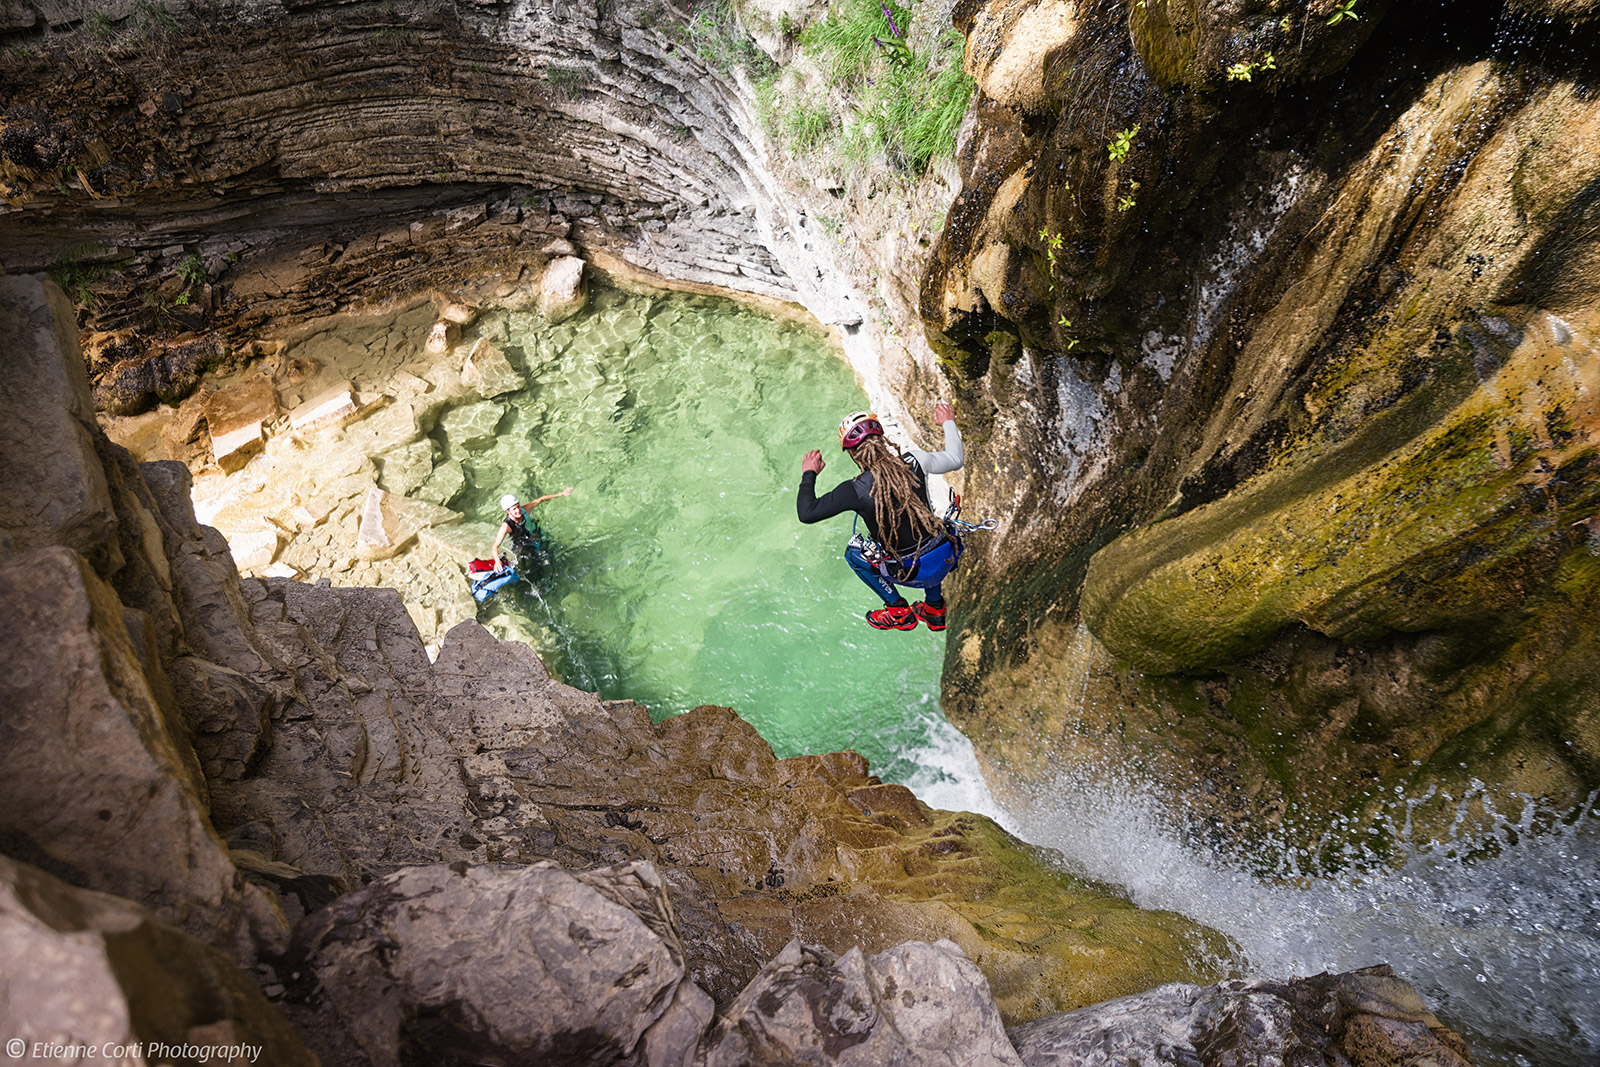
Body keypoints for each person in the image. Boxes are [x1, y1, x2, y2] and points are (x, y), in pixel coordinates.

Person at [796, 402, 963, 631]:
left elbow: (806, 513)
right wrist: (948, 422)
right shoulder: (914, 461)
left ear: (853, 453)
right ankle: (934, 608)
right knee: (929, 533)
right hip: (944, 556)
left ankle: (898, 610)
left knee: (854, 554)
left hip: (907, 571)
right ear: (882, 439)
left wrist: (809, 473)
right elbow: (955, 459)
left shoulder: (853, 490)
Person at [491, 488, 573, 575]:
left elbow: (541, 499)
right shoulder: (506, 526)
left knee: (550, 550)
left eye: (518, 506)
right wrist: (497, 561)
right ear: (508, 511)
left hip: (535, 534)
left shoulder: (525, 509)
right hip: (522, 542)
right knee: (532, 564)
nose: (518, 510)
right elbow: (494, 547)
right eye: (514, 509)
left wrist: (561, 494)